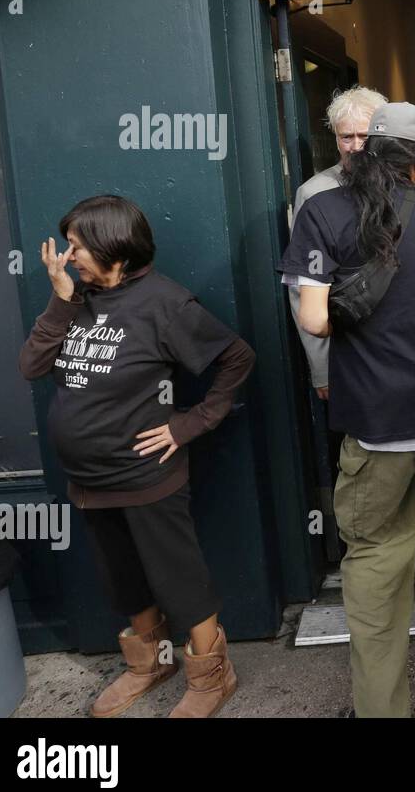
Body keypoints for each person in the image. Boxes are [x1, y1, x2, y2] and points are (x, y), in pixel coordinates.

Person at [277, 102, 415, 718]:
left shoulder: (320, 211)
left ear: (364, 149)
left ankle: (382, 707)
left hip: (377, 418)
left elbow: (315, 319)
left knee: (375, 556)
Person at [18, 195, 254, 718]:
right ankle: (150, 663)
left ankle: (213, 674)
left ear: (112, 247)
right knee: (120, 574)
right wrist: (60, 301)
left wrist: (191, 422)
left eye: (77, 246)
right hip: (87, 476)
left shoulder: (164, 303)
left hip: (146, 473)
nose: (68, 255)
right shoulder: (75, 300)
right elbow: (32, 366)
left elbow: (237, 357)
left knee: (178, 577)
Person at [285, 85, 415, 558]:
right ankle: (387, 546)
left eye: (363, 135)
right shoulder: (315, 194)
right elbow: (303, 293)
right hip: (353, 352)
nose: (355, 146)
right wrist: (322, 368)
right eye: (344, 137)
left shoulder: (413, 187)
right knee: (370, 453)